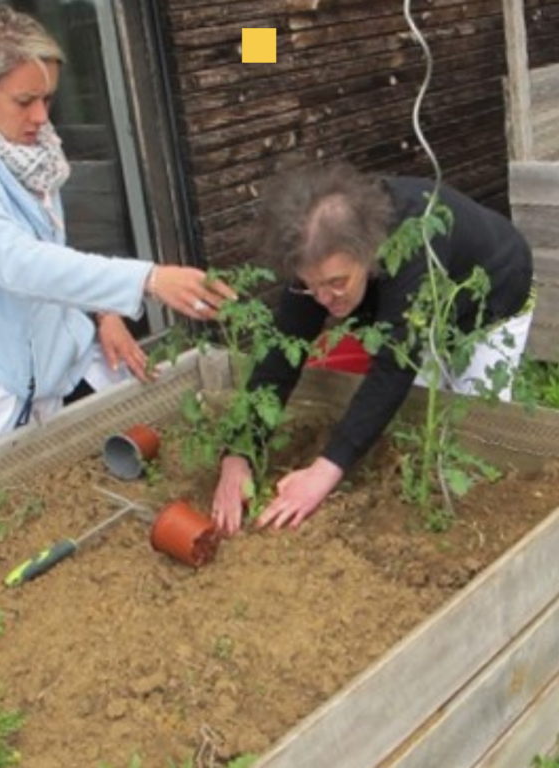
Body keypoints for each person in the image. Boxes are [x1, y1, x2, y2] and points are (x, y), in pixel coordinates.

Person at [0, 4, 234, 468]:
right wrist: (148, 280)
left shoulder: (28, 152)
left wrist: (102, 314)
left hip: (63, 366)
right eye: (25, 101)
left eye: (48, 98)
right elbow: (17, 263)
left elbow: (50, 251)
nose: (41, 117)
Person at [211, 161, 534, 536]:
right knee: (415, 413)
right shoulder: (314, 257)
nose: (323, 298)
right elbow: (283, 352)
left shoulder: (414, 245)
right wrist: (239, 452)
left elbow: (393, 366)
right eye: (311, 286)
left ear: (369, 252)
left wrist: (323, 473)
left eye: (337, 283)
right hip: (418, 306)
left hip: (492, 292)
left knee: (473, 423)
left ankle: (465, 526)